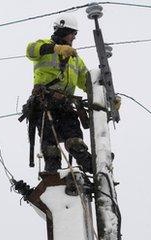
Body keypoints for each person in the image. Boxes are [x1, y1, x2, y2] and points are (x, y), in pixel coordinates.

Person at [25, 14, 93, 174]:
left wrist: (107, 96)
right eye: (73, 33)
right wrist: (56, 48)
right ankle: (52, 174)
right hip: (45, 103)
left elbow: (88, 83)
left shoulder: (75, 59)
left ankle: (90, 165)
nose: (74, 37)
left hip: (65, 106)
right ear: (64, 31)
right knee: (50, 145)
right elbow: (30, 50)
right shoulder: (45, 46)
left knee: (75, 139)